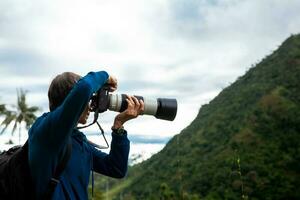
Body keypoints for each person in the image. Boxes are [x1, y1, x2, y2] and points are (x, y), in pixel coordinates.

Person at [28, 71, 144, 199]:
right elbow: (85, 87)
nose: (90, 106)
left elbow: (116, 168)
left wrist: (119, 127)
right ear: (71, 100)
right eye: (88, 99)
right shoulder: (46, 131)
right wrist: (106, 76)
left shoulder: (77, 140)